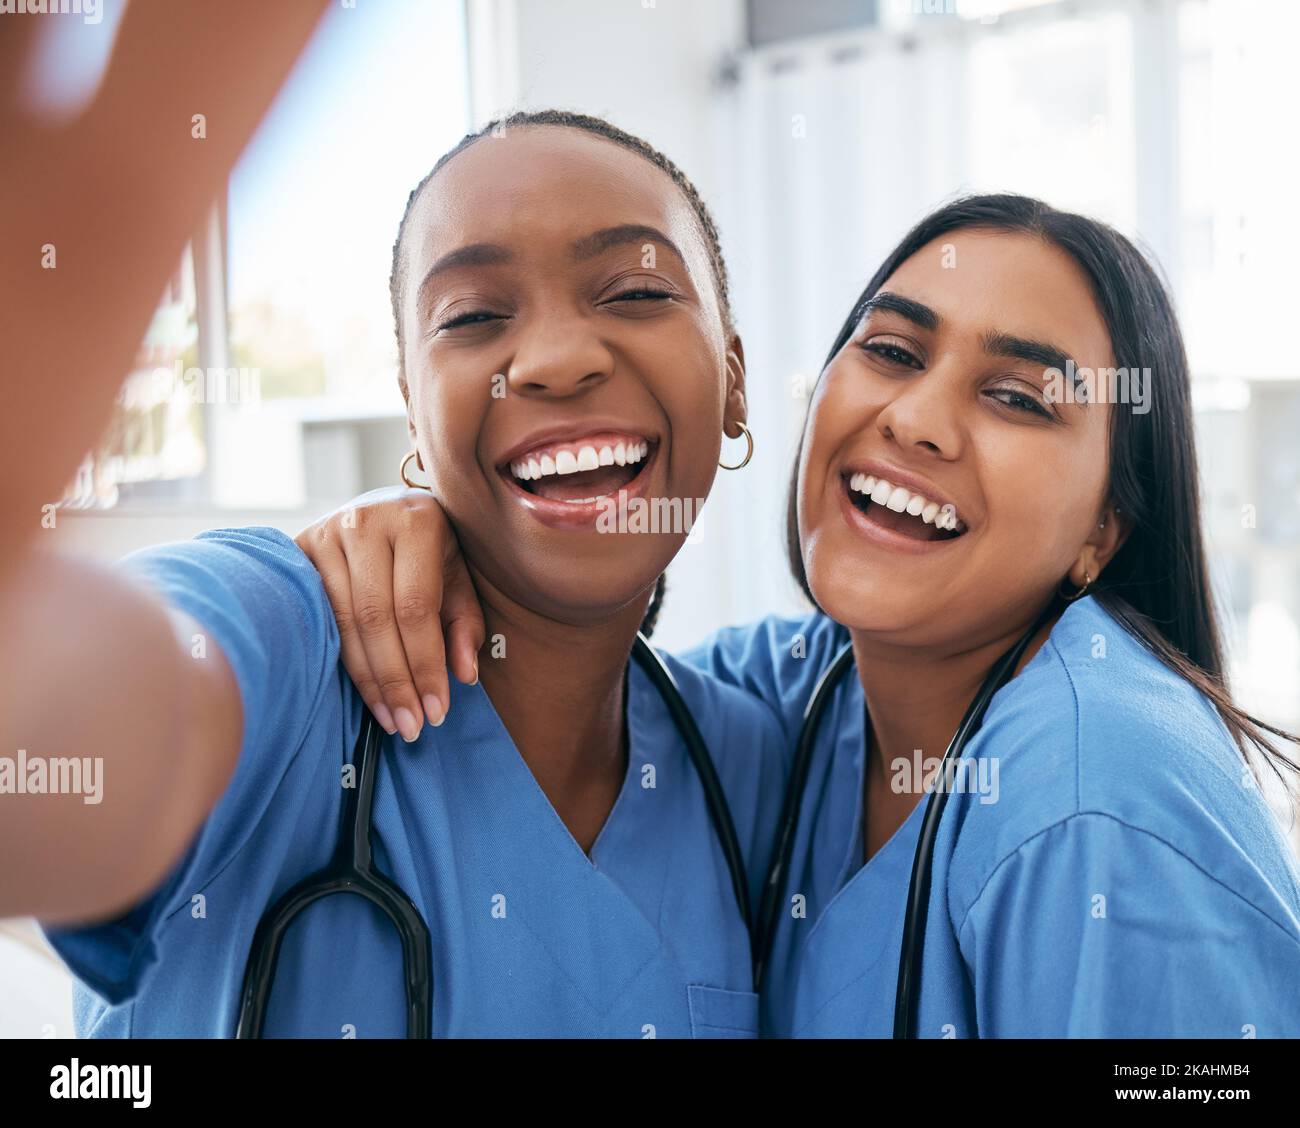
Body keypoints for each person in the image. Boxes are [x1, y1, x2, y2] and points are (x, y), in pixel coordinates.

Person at [300, 194, 1300, 1036]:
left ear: (1105, 531)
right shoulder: (803, 695)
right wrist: (429, 532)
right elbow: (573, 694)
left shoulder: (1105, 802)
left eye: (1017, 398)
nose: (913, 419)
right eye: (894, 351)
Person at [26, 111, 788, 1038]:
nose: (554, 360)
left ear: (735, 379)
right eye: (471, 316)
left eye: (632, 291)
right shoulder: (287, 636)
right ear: (414, 415)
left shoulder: (746, 756)